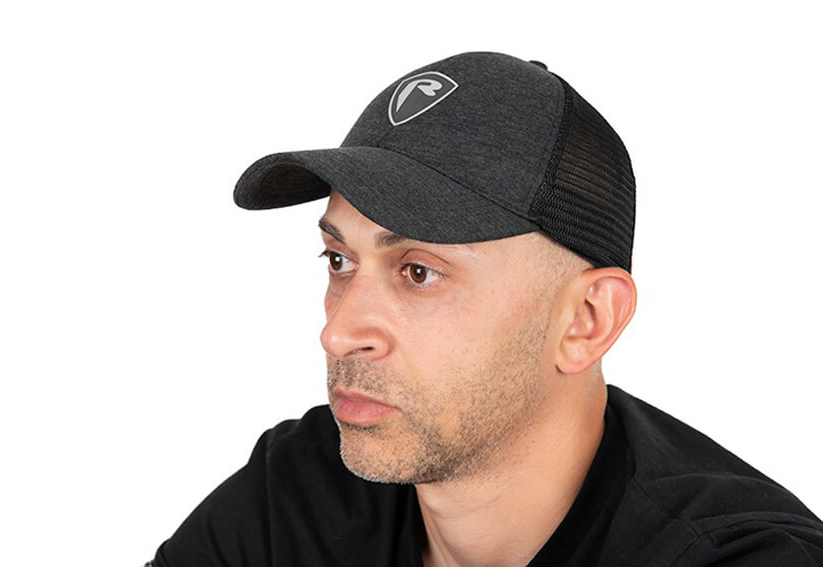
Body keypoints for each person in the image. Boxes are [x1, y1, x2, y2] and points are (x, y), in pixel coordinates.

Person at [146, 52, 823, 566]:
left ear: (587, 320)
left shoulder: (738, 556)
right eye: (339, 260)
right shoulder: (298, 495)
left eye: (418, 272)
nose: (339, 331)